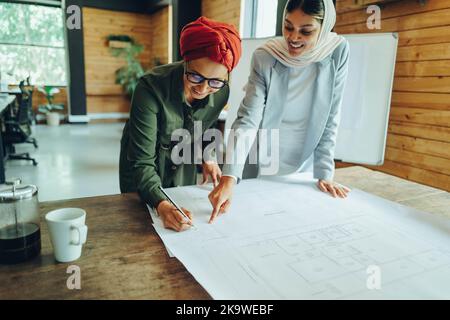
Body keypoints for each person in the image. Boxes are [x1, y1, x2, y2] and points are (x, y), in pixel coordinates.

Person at [208, 0, 350, 223]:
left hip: (305, 155)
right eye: (288, 26)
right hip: (265, 150)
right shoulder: (266, 56)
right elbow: (248, 118)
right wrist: (229, 176)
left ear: (324, 29)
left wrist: (324, 172)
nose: (293, 38)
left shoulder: (337, 52)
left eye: (306, 31)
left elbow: (331, 114)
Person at [120, 16, 241, 231]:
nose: (203, 89)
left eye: (214, 82)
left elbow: (206, 126)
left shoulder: (223, 91)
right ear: (185, 62)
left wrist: (208, 157)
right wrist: (163, 205)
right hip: (143, 169)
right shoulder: (149, 88)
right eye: (195, 76)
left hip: (181, 163)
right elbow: (143, 162)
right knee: (143, 232)